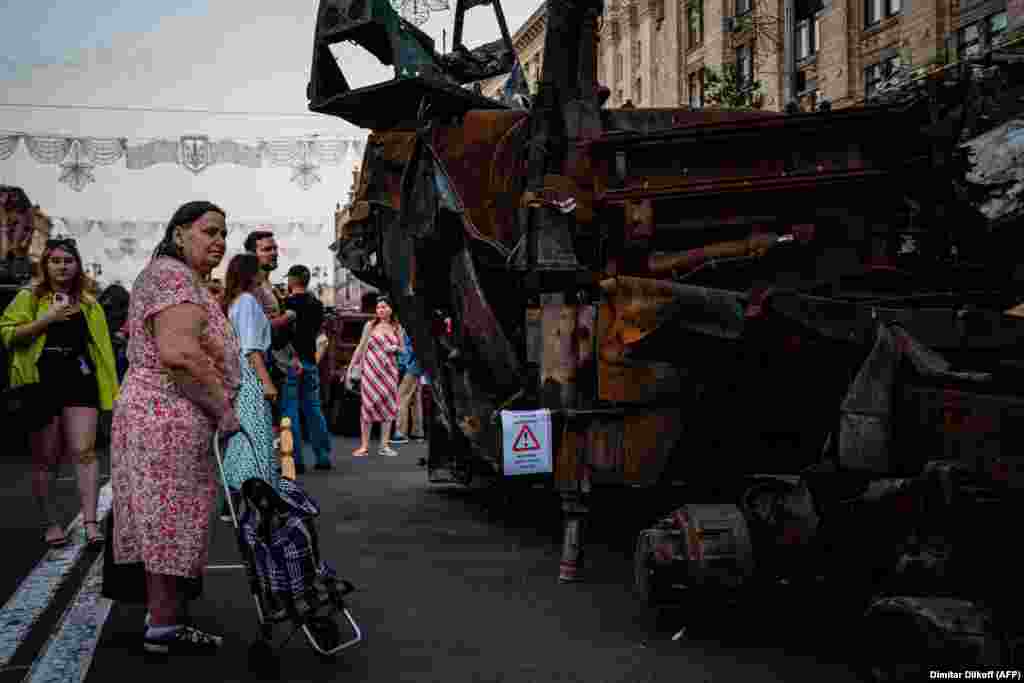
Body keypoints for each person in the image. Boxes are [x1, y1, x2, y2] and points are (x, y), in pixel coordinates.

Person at [110, 201, 240, 654]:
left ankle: (164, 619)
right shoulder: (171, 275)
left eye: (224, 234)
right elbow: (180, 354)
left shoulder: (178, 277)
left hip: (165, 414)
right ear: (180, 233)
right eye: (209, 232)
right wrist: (224, 408)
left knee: (169, 520)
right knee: (169, 521)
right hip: (166, 415)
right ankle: (164, 625)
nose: (219, 242)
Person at [1, 237, 119, 549]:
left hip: (81, 382)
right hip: (41, 384)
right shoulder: (29, 297)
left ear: (77, 265)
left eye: (68, 260)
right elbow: (9, 334)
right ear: (46, 264)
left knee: (86, 452)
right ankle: (50, 522)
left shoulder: (90, 303)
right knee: (46, 458)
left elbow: (103, 351)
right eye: (55, 261)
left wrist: (112, 393)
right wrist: (48, 318)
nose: (62, 266)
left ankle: (91, 524)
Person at [220, 253, 280, 519]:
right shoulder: (246, 302)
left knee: (243, 439)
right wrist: (267, 382)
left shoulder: (235, 301)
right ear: (251, 273)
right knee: (255, 438)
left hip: (240, 374)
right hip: (251, 376)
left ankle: (235, 501)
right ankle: (255, 500)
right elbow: (251, 348)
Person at [282, 265, 333, 470]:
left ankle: (295, 459)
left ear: (293, 280)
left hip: (290, 362)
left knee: (291, 410)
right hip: (310, 360)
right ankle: (322, 456)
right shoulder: (317, 305)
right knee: (313, 409)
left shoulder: (286, 303)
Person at [346, 295, 405, 457]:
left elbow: (403, 350)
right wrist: (351, 367)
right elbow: (360, 346)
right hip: (370, 371)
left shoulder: (397, 327)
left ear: (391, 309)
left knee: (388, 406)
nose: (381, 310)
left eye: (384, 307)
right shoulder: (370, 325)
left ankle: (384, 445)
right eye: (379, 307)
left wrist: (393, 348)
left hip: (389, 372)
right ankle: (364, 445)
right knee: (368, 406)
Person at [392, 328, 426, 444]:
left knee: (401, 397)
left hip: (412, 365)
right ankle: (417, 432)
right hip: (418, 365)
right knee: (415, 400)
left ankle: (400, 433)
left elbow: (408, 349)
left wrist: (401, 363)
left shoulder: (407, 326)